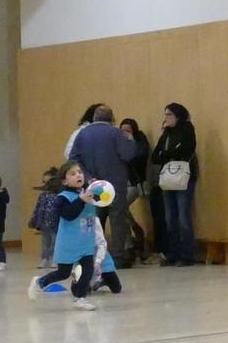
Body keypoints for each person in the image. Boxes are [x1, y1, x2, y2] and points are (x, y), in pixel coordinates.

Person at [28, 161, 106, 311]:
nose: (78, 175)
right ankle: (40, 282)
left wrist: (98, 188)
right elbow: (68, 214)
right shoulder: (63, 198)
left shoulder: (87, 193)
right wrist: (81, 201)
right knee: (63, 273)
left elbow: (103, 200)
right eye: (73, 173)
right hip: (68, 243)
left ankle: (80, 298)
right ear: (64, 181)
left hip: (86, 242)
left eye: (80, 172)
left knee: (87, 271)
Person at [69, 105, 140, 267]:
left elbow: (73, 158)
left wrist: (87, 177)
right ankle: (117, 257)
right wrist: (130, 140)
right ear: (112, 118)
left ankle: (92, 256)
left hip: (93, 185)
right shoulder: (116, 133)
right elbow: (128, 155)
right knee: (117, 221)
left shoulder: (82, 134)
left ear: (94, 117)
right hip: (115, 184)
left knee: (94, 221)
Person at [151, 102, 199, 266]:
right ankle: (173, 252)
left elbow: (185, 150)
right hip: (168, 178)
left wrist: (167, 154)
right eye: (165, 115)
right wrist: (168, 153)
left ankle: (187, 254)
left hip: (184, 177)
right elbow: (155, 156)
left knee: (183, 216)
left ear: (178, 116)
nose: (166, 118)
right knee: (169, 217)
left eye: (169, 115)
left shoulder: (187, 129)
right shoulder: (166, 134)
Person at [119, 117, 152, 260]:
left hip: (135, 182)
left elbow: (139, 158)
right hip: (122, 182)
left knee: (120, 206)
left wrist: (131, 143)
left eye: (128, 130)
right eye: (122, 131)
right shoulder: (117, 143)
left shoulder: (140, 141)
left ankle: (133, 237)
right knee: (120, 209)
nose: (125, 133)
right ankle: (134, 229)